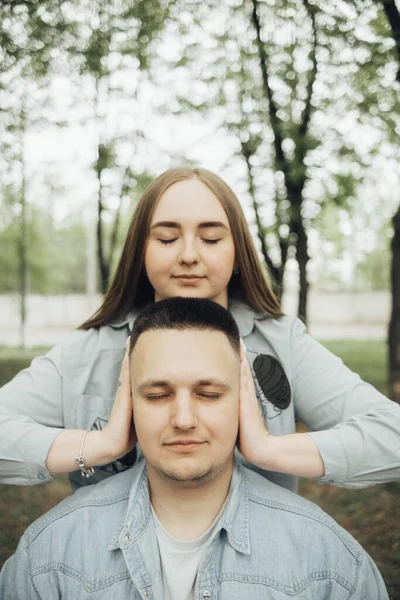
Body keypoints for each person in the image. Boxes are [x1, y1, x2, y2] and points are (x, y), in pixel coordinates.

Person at [0, 166, 399, 494]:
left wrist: (266, 450)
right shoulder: (86, 351)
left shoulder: (283, 344)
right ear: (141, 251)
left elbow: (390, 436)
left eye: (210, 238)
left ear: (237, 251)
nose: (189, 255)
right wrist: (99, 446)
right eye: (167, 237)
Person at [0, 298, 389, 600]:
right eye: (157, 394)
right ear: (128, 403)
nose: (183, 418)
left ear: (243, 402)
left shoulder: (329, 561)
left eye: (208, 393)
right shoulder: (48, 555)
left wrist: (266, 447)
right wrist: (101, 443)